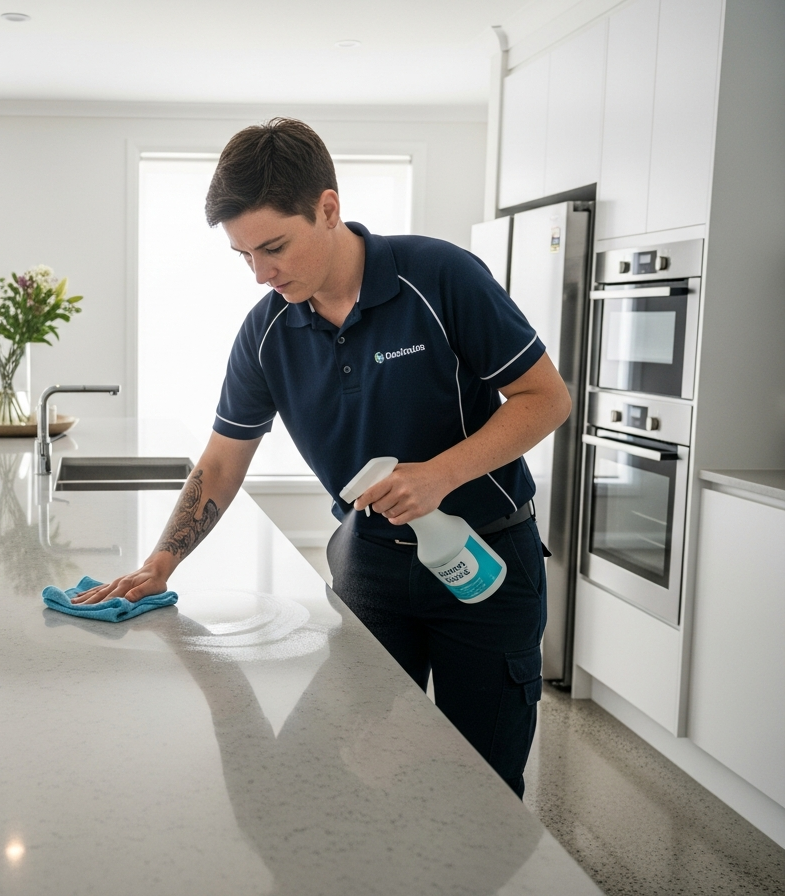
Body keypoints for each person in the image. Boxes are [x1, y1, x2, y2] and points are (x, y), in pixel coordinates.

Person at [74, 117, 570, 796]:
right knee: (341, 779)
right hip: (369, 563)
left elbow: (546, 397)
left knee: (480, 788)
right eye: (243, 256)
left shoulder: (440, 276)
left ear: (328, 209)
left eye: (272, 247)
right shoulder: (266, 332)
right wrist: (162, 560)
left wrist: (438, 476)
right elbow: (220, 463)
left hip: (484, 565)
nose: (259, 274)